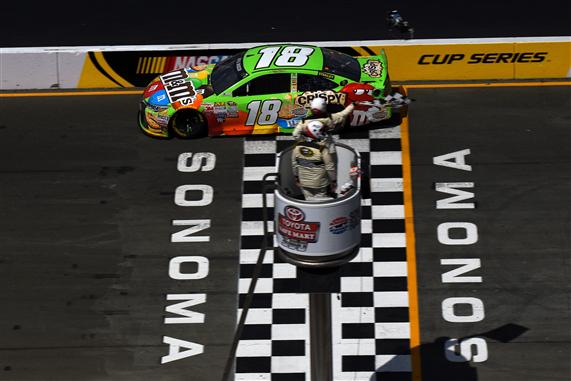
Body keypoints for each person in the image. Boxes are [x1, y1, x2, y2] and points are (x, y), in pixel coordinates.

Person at [291, 120, 337, 201]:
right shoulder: (322, 149)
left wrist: (296, 178)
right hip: (320, 184)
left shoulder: (297, 147)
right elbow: (330, 168)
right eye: (322, 131)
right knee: (321, 203)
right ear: (315, 132)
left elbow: (294, 165)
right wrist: (334, 181)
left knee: (308, 201)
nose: (323, 134)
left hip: (304, 182)